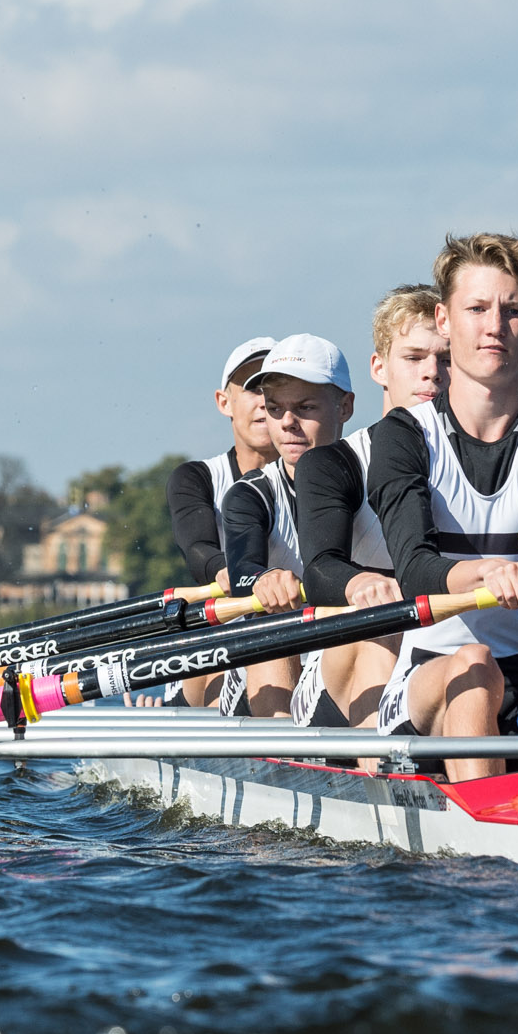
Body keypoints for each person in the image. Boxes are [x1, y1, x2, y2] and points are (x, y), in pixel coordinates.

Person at [369, 233, 518, 778]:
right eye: (476, 308)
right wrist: (487, 572)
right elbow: (414, 571)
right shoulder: (403, 437)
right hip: (432, 679)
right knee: (474, 665)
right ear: (445, 321)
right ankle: (482, 852)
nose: (495, 325)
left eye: (512, 310)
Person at [292, 285, 448, 728]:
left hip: (446, 651)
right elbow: (320, 569)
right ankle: (385, 776)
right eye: (414, 358)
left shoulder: (487, 459)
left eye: (446, 359)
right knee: (384, 625)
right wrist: (361, 583)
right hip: (348, 662)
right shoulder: (333, 464)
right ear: (379, 368)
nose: (432, 374)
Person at [218, 335, 356, 719]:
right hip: (269, 664)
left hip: (345, 654)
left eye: (305, 407)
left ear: (345, 406)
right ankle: (282, 757)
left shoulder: (377, 478)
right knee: (269, 624)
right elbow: (244, 570)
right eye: (275, 409)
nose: (287, 423)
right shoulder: (251, 495)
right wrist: (264, 579)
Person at [164, 334, 276, 705]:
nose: (265, 401)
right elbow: (198, 549)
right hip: (223, 628)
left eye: (275, 388)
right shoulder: (197, 478)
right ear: (224, 402)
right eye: (252, 388)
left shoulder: (326, 475)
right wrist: (228, 571)